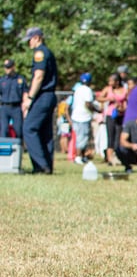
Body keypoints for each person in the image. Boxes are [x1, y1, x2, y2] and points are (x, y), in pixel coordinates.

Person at [21, 27, 58, 175]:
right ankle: (47, 165)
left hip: (42, 96)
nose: (28, 43)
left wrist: (29, 98)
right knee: (45, 132)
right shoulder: (47, 52)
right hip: (49, 96)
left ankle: (40, 166)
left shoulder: (40, 53)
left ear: (36, 38)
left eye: (29, 40)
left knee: (29, 128)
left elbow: (38, 76)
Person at [65, 72, 97, 164]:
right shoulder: (87, 90)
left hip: (75, 116)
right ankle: (78, 156)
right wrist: (96, 110)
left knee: (79, 137)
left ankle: (82, 156)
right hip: (83, 117)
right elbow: (88, 104)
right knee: (82, 138)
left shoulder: (78, 89)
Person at [96, 73, 127, 165]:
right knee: (110, 136)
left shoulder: (124, 90)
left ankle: (118, 156)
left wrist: (122, 108)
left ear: (117, 82)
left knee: (118, 137)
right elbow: (99, 98)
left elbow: (126, 102)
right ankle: (110, 159)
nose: (109, 83)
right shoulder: (108, 89)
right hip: (110, 115)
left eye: (111, 81)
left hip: (120, 115)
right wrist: (108, 99)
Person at [0, 59, 27, 139]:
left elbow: (25, 93)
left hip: (16, 107)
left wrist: (25, 107)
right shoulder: (2, 80)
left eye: (9, 67)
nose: (7, 69)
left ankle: (19, 147)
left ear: (13, 67)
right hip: (5, 107)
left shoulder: (20, 80)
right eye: (5, 67)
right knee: (4, 129)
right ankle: (3, 148)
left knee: (18, 129)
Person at [117, 107, 137, 173]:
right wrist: (132, 145)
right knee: (120, 149)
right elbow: (122, 140)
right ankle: (128, 167)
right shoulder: (130, 124)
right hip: (133, 152)